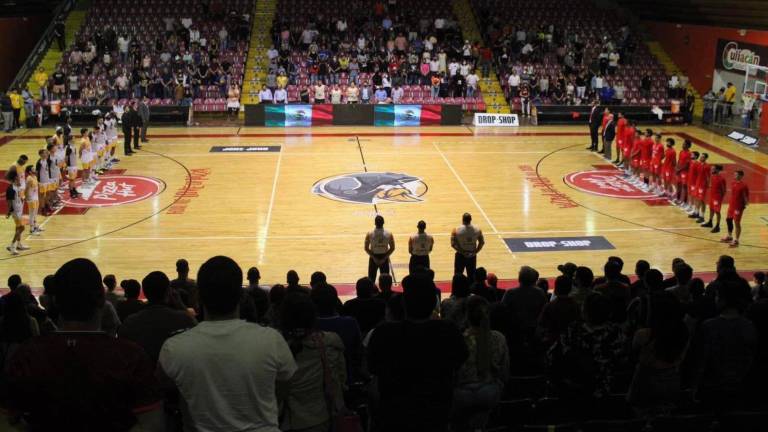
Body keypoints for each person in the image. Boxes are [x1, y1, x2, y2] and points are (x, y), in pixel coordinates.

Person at [6, 258, 163, 430]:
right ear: (102, 298)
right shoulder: (131, 356)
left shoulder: (27, 354)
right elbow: (152, 424)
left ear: (54, 300)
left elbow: (6, 421)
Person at [158, 256, 298, 431]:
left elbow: (165, 391)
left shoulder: (173, 348)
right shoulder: (273, 340)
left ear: (198, 297)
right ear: (241, 296)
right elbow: (285, 386)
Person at [368, 273, 468, 432]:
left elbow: (372, 369)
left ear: (404, 303)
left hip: (394, 415)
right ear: (434, 303)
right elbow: (460, 364)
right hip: (436, 414)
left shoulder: (383, 332)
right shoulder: (449, 331)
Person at [278, 292, 347, 432]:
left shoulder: (274, 346)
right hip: (321, 418)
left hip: (285, 421)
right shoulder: (331, 341)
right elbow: (341, 379)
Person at [452, 296, 510, 432]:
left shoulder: (458, 339)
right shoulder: (499, 338)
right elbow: (505, 373)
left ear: (466, 316)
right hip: (490, 392)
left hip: (462, 395)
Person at [627, 292, 689, 416]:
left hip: (645, 381)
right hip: (671, 379)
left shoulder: (643, 334)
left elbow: (632, 352)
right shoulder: (683, 332)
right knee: (665, 415)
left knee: (641, 415)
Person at [118, 271, 197, 363]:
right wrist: (180, 305)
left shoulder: (129, 322)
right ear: (168, 292)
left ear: (145, 293)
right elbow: (197, 329)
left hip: (143, 370)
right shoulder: (184, 319)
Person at [538, 275, 580, 346]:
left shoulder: (550, 306)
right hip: (571, 340)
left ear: (556, 289)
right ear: (570, 289)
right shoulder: (576, 305)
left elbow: (541, 325)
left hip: (553, 340)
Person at [451, 213, 484, 280]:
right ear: (470, 220)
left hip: (460, 255)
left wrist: (462, 252)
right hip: (472, 255)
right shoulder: (478, 230)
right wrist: (476, 251)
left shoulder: (455, 230)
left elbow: (453, 244)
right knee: (471, 276)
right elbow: (482, 242)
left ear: (462, 219)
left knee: (458, 275)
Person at [722, 170, 749, 247]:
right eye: (734, 174)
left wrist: (744, 205)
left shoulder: (744, 185)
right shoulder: (733, 183)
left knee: (737, 223)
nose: (735, 176)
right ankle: (729, 236)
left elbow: (745, 197)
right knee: (728, 220)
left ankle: (736, 240)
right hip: (731, 205)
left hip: (738, 207)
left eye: (736, 175)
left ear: (741, 176)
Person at [364, 215, 395, 282]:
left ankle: (371, 289)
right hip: (384, 257)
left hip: (373, 257)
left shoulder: (369, 234)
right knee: (385, 280)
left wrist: (374, 258)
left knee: (371, 279)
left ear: (375, 223)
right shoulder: (389, 234)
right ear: (383, 222)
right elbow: (392, 248)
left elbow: (366, 248)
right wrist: (384, 258)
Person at [5, 170, 28, 255]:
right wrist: (8, 212)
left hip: (19, 210)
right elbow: (9, 202)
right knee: (22, 228)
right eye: (18, 176)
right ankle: (12, 246)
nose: (20, 178)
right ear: (15, 178)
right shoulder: (11, 189)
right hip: (15, 212)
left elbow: (21, 197)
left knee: (18, 228)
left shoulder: (17, 186)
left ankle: (18, 244)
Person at [702, 164, 726, 233]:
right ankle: (710, 222)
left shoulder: (721, 179)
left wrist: (720, 198)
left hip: (717, 198)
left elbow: (723, 190)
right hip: (712, 196)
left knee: (717, 212)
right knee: (711, 209)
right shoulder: (712, 176)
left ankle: (717, 226)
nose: (712, 170)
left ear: (717, 170)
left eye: (713, 169)